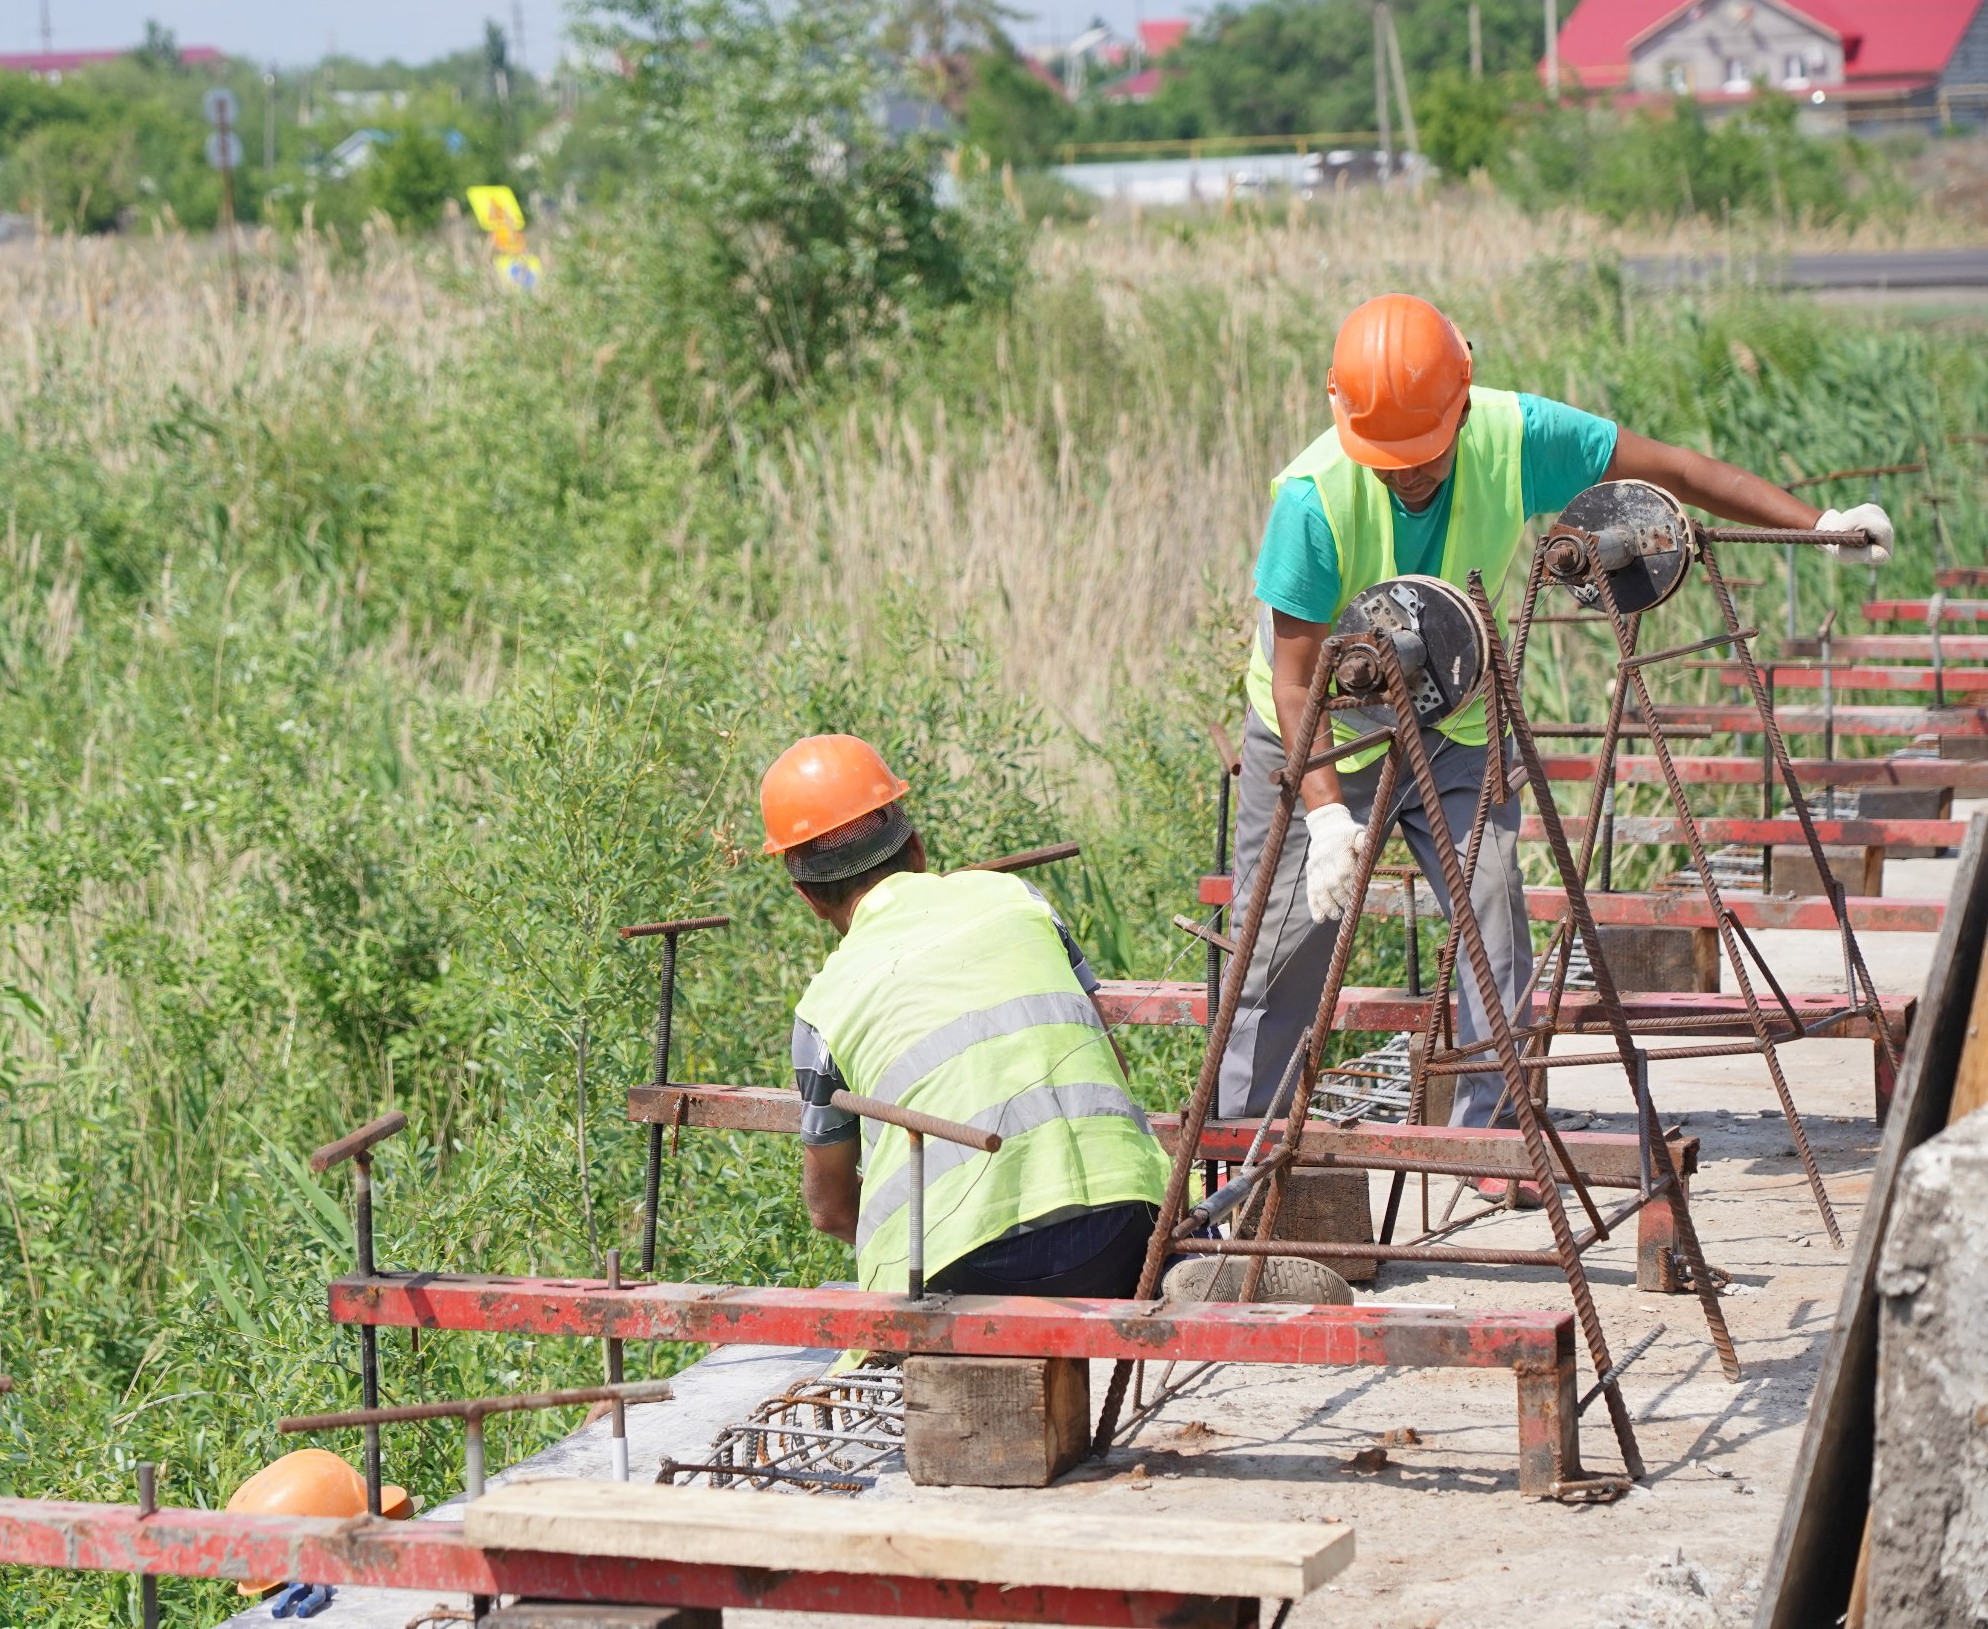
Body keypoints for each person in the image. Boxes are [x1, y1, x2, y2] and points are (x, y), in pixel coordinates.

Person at [1224, 293, 1895, 1193]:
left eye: (1425, 456)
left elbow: (1676, 471)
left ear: (1462, 405)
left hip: (1453, 726)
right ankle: (1243, 1165)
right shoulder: (1314, 500)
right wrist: (1325, 819)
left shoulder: (1517, 436)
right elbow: (1296, 681)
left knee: (1493, 922)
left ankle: (1491, 1142)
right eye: (1389, 460)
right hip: (1318, 738)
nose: (1409, 477)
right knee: (1279, 955)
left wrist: (1813, 524)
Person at [762, 733, 1170, 1296]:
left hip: (961, 1272)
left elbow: (830, 1210)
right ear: (918, 848)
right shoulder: (1019, 899)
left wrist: (920, 1245)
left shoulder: (823, 1008)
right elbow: (1113, 1063)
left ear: (808, 898)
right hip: (1130, 1225)